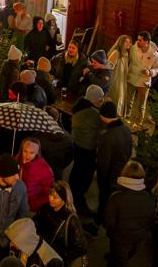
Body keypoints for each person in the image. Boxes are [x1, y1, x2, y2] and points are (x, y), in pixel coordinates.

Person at [104, 161, 155, 267]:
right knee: (125, 256)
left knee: (119, 261)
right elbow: (150, 220)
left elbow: (109, 222)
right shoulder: (148, 198)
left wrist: (111, 234)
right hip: (138, 238)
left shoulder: (116, 197)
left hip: (119, 238)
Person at [68, 85, 105, 216]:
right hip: (87, 147)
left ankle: (72, 194)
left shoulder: (80, 105)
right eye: (101, 98)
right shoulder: (92, 113)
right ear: (96, 99)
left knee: (77, 170)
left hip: (77, 143)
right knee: (84, 175)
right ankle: (78, 201)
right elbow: (104, 124)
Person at [33, 181, 87, 266]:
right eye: (50, 195)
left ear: (64, 199)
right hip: (41, 256)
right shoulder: (45, 208)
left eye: (55, 197)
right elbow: (35, 223)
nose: (51, 199)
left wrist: (61, 257)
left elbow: (81, 247)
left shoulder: (71, 220)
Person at [95, 101, 132, 224]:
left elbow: (103, 162)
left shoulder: (108, 137)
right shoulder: (126, 129)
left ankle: (98, 222)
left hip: (110, 176)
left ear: (103, 116)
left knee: (105, 199)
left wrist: (101, 178)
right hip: (122, 171)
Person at [125, 31, 158, 128]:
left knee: (141, 105)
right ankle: (126, 117)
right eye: (138, 39)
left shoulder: (154, 54)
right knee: (128, 100)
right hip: (131, 78)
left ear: (147, 42)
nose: (137, 41)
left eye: (140, 40)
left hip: (144, 81)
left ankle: (138, 123)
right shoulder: (133, 49)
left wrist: (151, 72)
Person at [17, 138, 55, 212]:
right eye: (25, 151)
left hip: (30, 207)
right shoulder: (18, 158)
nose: (27, 156)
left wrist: (33, 205)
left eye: (32, 153)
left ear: (37, 153)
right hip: (16, 201)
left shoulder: (44, 169)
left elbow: (49, 193)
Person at [106, 35, 132, 116]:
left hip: (122, 80)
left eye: (129, 42)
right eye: (126, 42)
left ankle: (118, 116)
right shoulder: (116, 53)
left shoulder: (127, 53)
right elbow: (109, 67)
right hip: (115, 79)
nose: (128, 44)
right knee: (115, 97)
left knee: (120, 98)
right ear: (121, 43)